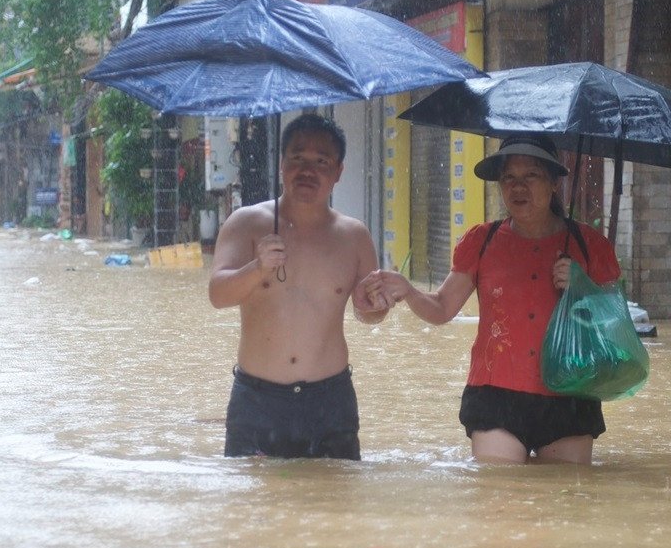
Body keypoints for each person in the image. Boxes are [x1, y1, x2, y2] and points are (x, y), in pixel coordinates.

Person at [361, 137, 621, 465]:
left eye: (531, 176)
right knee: (497, 491)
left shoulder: (588, 246)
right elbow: (442, 308)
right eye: (508, 178)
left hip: (570, 391)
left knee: (563, 500)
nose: (518, 187)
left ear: (554, 183)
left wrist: (582, 285)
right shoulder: (481, 241)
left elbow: (618, 320)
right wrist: (409, 291)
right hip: (495, 394)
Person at [209, 113, 392, 460]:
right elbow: (218, 295)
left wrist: (375, 306)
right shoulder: (246, 223)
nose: (307, 170)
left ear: (338, 172)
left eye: (321, 161)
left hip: (330, 401)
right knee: (253, 512)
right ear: (282, 165)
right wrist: (257, 267)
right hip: (257, 400)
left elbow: (371, 312)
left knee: (333, 510)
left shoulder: (354, 236)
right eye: (297, 158)